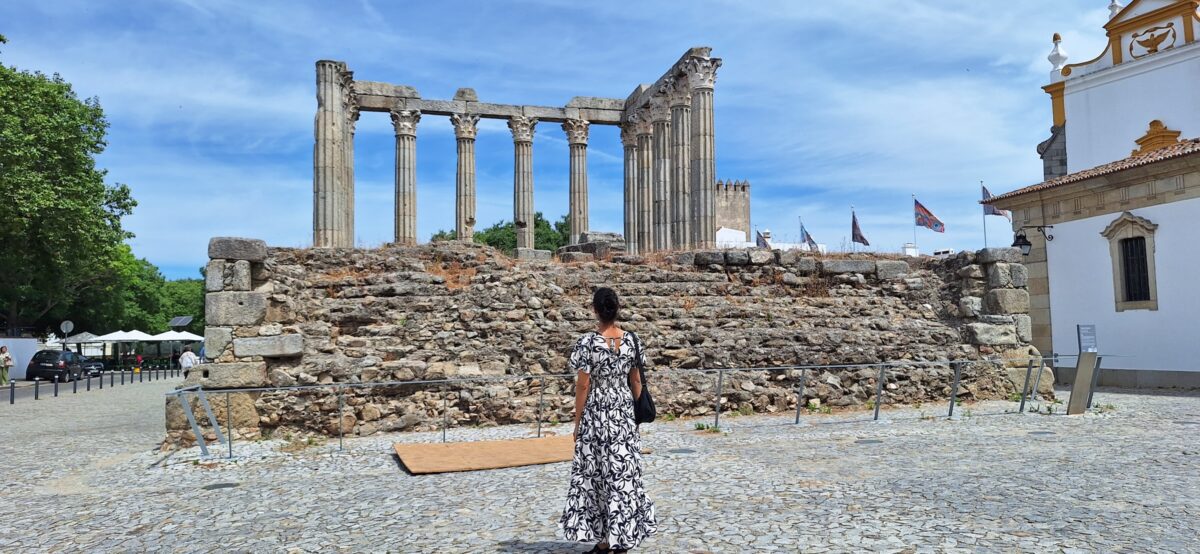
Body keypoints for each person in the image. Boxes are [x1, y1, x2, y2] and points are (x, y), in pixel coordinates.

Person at [560, 287, 657, 553]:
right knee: (623, 474)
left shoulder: (587, 343)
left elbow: (583, 385)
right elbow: (636, 381)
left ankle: (605, 540)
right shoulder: (632, 340)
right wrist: (633, 418)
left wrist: (578, 422)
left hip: (597, 413)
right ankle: (622, 537)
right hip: (623, 413)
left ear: (595, 310)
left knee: (598, 476)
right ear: (617, 309)